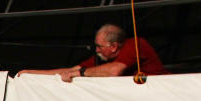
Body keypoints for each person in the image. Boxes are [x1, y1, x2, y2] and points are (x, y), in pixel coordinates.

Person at [18, 24, 168, 82]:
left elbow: (115, 71)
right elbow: (71, 70)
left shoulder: (135, 44)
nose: (96, 50)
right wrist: (32, 73)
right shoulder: (101, 60)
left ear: (114, 47)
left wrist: (81, 73)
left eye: (99, 46)